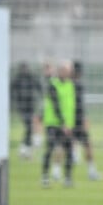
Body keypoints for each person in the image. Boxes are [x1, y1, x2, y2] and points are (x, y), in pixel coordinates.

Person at [40, 60, 76, 188]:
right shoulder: (53, 85)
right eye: (65, 70)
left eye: (68, 71)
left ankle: (68, 178)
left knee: (70, 151)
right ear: (60, 71)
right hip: (53, 124)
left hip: (67, 125)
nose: (67, 73)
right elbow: (56, 105)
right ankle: (44, 177)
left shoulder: (71, 85)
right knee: (49, 149)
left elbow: (71, 107)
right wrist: (63, 123)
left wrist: (71, 124)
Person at [71, 61, 102, 181]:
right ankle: (91, 172)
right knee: (87, 145)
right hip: (76, 120)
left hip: (69, 120)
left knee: (63, 146)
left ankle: (57, 173)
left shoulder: (69, 84)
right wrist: (84, 118)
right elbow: (79, 105)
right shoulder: (77, 85)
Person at [10, 61, 42, 159]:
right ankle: (24, 149)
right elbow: (11, 90)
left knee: (30, 128)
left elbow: (39, 87)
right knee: (29, 127)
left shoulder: (31, 77)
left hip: (31, 106)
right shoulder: (17, 79)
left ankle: (25, 149)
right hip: (22, 107)